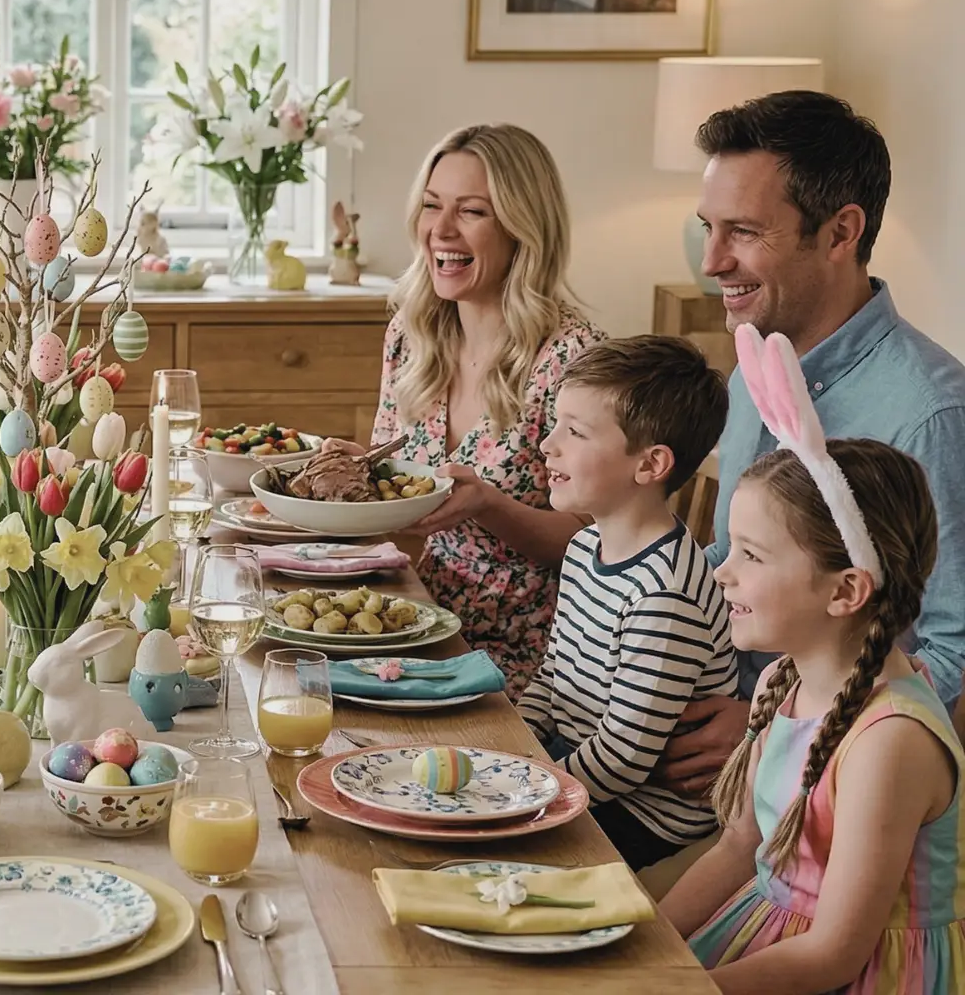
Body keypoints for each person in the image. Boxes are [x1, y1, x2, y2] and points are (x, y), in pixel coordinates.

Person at [657, 91, 965, 799]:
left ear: (839, 232)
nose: (711, 261)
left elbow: (955, 655)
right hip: (708, 727)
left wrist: (775, 724)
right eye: (708, 227)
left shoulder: (930, 413)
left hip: (821, 788)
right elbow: (727, 563)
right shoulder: (756, 369)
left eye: (743, 231)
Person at [662, 330, 961, 995]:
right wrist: (646, 950)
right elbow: (739, 848)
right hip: (764, 934)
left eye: (751, 556)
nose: (723, 576)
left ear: (845, 590)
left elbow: (831, 955)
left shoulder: (891, 744)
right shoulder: (781, 682)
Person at [365, 124, 605, 696]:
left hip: (531, 664)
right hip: (420, 626)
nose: (439, 231)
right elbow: (392, 491)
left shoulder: (573, 358)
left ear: (524, 227)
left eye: (471, 211)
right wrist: (357, 478)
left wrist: (490, 507)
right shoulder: (411, 334)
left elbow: (599, 544)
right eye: (430, 206)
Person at [518, 335, 736, 870]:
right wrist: (512, 751)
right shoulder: (585, 544)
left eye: (576, 432)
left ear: (650, 464)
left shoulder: (663, 594)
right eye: (556, 424)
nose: (549, 445)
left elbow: (623, 758)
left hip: (647, 817)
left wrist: (524, 794)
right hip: (582, 771)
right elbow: (553, 678)